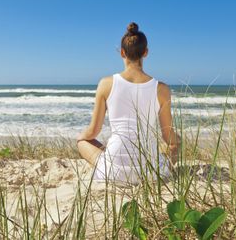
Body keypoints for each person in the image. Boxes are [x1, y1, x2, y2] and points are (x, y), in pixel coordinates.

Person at [77, 22, 180, 184]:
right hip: (151, 174)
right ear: (145, 53)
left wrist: (81, 137)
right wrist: (178, 141)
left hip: (112, 172)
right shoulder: (161, 89)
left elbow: (93, 131)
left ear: (122, 53)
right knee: (175, 147)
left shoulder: (106, 83)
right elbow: (168, 137)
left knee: (83, 142)